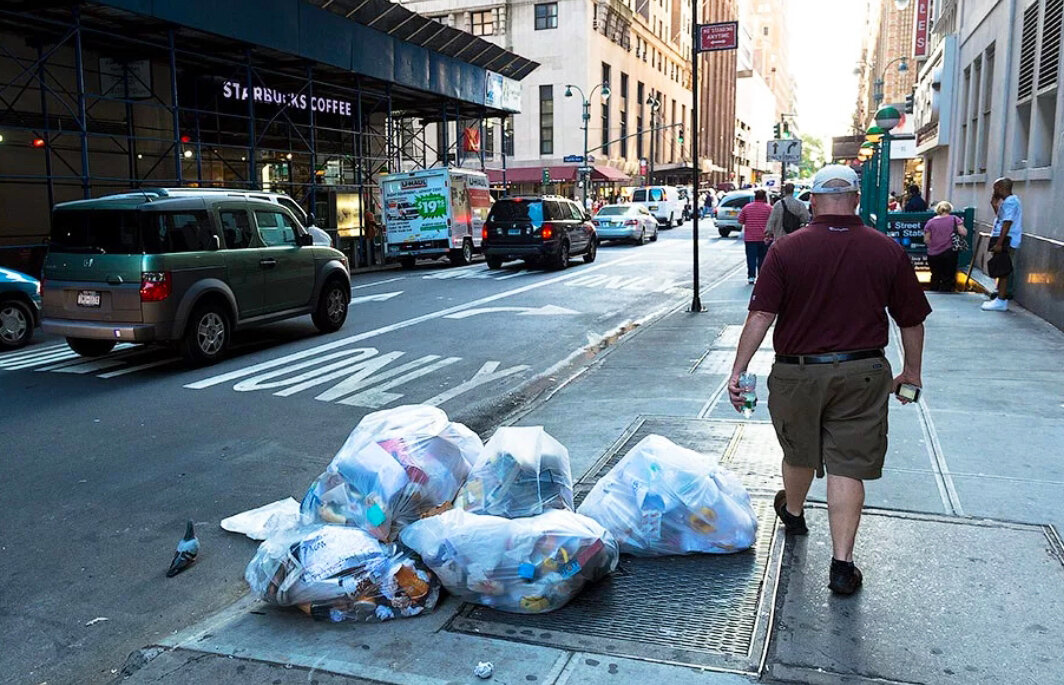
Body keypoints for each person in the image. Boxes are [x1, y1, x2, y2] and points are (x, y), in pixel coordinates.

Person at [728, 164, 931, 596]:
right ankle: (842, 566)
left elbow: (761, 314)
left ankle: (795, 513)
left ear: (814, 201)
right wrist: (911, 371)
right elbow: (911, 321)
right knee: (847, 465)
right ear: (856, 200)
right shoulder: (886, 250)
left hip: (798, 372)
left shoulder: (785, 250)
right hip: (863, 372)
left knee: (798, 450)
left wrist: (739, 369)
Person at [981, 177, 1022, 312]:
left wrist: (999, 242)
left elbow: (1007, 222)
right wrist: (995, 206)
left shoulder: (1011, 202)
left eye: (995, 188)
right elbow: (1002, 218)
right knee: (999, 267)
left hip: (1006, 239)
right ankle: (1000, 297)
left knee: (1002, 269)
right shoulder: (1008, 202)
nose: (994, 191)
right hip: (1003, 237)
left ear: (1000, 188)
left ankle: (1001, 299)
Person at [923, 201, 967, 292]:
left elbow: (926, 239)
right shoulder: (954, 219)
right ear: (949, 209)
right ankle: (946, 292)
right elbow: (963, 232)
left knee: (935, 275)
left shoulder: (930, 222)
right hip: (949, 252)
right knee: (948, 275)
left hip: (933, 253)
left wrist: (933, 245)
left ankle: (934, 290)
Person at [737, 189, 772, 284]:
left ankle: (751, 276)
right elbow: (772, 221)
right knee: (763, 258)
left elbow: (740, 220)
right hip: (764, 238)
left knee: (751, 258)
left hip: (750, 238)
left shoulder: (747, 207)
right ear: (764, 197)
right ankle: (761, 275)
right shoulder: (769, 208)